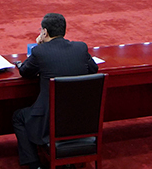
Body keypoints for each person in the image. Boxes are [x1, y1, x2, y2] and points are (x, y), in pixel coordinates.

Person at [13, 13, 98, 169]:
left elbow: (25, 71)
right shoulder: (81, 48)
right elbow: (93, 69)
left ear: (44, 32)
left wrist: (39, 46)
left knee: (18, 117)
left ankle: (35, 165)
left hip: (49, 124)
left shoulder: (40, 51)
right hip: (82, 120)